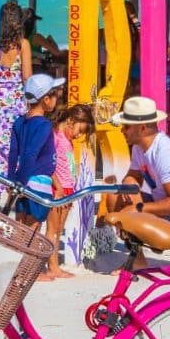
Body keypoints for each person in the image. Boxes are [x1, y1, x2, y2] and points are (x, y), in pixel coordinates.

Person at [102, 96, 170, 269]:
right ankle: (139, 258)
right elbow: (132, 176)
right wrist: (130, 187)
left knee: (129, 215)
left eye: (127, 126)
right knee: (115, 197)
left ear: (142, 128)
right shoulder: (140, 147)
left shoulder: (167, 154)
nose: (122, 130)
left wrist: (138, 209)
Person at [7, 74, 63, 281]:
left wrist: (12, 181)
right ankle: (29, 272)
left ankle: (19, 270)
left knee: (21, 227)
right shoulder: (44, 125)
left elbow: (14, 154)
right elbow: (30, 154)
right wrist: (22, 183)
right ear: (46, 100)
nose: (56, 99)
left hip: (21, 180)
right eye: (54, 95)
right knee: (33, 229)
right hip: (37, 182)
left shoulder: (19, 122)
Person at [43, 104, 95, 279]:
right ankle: (52, 266)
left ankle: (54, 264)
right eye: (80, 130)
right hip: (57, 188)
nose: (80, 135)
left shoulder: (67, 140)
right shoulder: (55, 137)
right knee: (52, 230)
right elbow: (48, 164)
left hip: (67, 188)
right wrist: (57, 187)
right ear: (71, 121)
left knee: (59, 229)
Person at [0, 0, 34, 200]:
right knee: (15, 148)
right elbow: (27, 77)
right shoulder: (22, 45)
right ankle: (13, 187)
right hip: (16, 104)